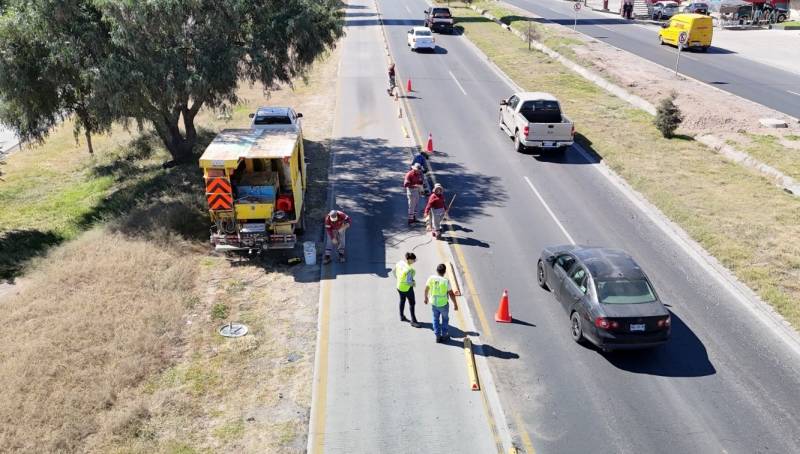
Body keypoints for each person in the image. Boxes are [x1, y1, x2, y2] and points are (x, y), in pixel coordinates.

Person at [424, 263, 459, 343]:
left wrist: (425, 298)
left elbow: (426, 289)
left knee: (435, 319)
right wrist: (455, 304)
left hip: (434, 303)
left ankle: (437, 335)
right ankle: (444, 335)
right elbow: (451, 294)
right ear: (445, 272)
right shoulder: (446, 281)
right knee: (445, 319)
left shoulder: (431, 278)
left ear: (437, 270)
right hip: (443, 304)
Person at [394, 252, 420, 327]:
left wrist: (399, 280)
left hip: (399, 286)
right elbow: (409, 282)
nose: (414, 261)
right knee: (412, 303)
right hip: (407, 288)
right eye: (414, 260)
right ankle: (413, 321)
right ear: (410, 260)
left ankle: (401, 316)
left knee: (402, 300)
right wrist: (413, 283)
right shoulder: (409, 269)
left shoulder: (400, 263)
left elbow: (394, 272)